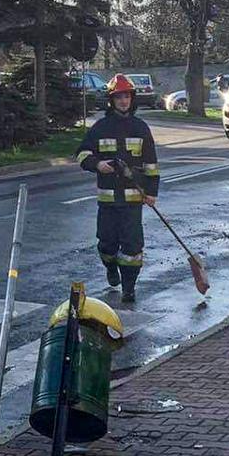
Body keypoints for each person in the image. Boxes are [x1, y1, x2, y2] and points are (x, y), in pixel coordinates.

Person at [75, 74, 159, 302]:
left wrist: (151, 192)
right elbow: (82, 153)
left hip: (133, 201)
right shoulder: (100, 128)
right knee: (107, 244)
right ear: (111, 100)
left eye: (127, 97)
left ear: (132, 99)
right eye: (119, 97)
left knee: (133, 246)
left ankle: (129, 288)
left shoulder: (140, 128)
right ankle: (111, 267)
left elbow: (151, 164)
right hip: (108, 201)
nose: (123, 101)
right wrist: (97, 165)